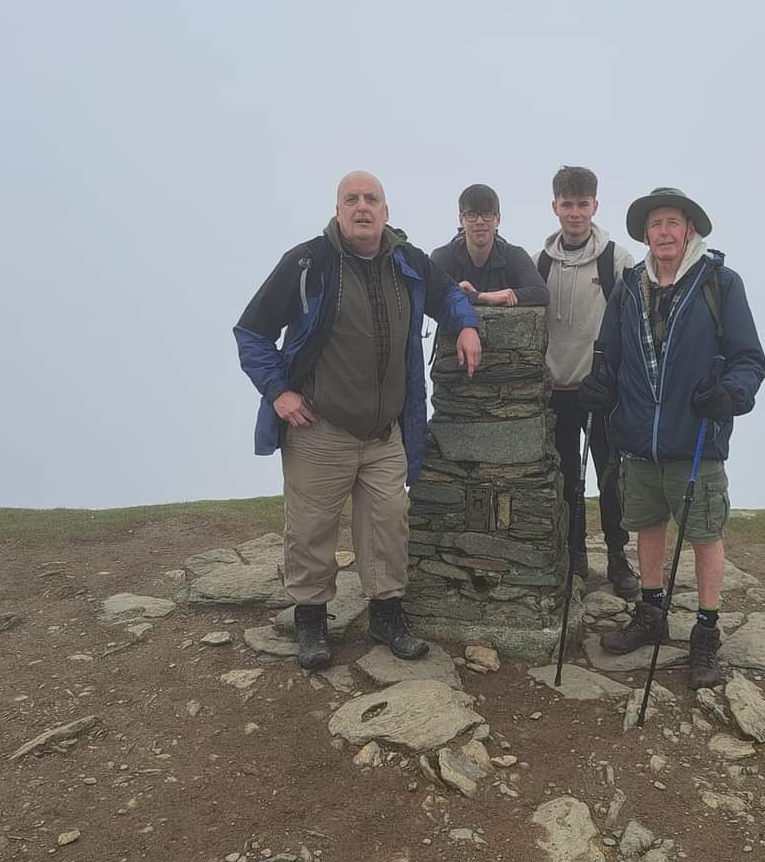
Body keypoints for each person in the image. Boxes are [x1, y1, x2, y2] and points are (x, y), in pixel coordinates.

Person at [234, 171, 482, 672]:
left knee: (388, 525)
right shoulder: (307, 264)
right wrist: (279, 392)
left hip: (385, 433)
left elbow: (448, 294)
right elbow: (252, 332)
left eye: (372, 199)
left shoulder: (408, 262)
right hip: (318, 430)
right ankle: (311, 621)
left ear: (386, 211)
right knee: (310, 530)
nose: (362, 207)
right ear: (338, 210)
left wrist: (468, 325)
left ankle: (387, 615)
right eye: (352, 199)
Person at [579, 187, 765, 689]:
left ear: (690, 232)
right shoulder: (629, 287)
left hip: (697, 440)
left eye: (673, 223)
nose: (663, 232)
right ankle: (651, 613)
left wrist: (731, 395)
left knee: (704, 536)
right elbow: (610, 356)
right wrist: (602, 386)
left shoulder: (720, 284)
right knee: (647, 527)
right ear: (645, 234)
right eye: (655, 224)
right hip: (639, 439)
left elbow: (749, 359)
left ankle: (705, 630)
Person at [537, 165, 639, 597]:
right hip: (556, 390)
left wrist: (615, 380)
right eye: (567, 204)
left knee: (610, 476)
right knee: (567, 480)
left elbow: (633, 326)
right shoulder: (539, 262)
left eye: (582, 204)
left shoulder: (617, 259)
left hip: (603, 391)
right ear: (555, 206)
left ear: (595, 205)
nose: (574, 212)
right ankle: (574, 553)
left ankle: (618, 558)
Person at [430, 184, 549, 307]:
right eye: (471, 215)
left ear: (498, 219)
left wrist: (507, 294)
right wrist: (483, 297)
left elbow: (541, 293)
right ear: (461, 220)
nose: (480, 221)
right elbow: (429, 294)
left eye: (487, 214)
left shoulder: (514, 255)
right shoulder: (444, 256)